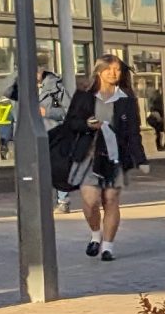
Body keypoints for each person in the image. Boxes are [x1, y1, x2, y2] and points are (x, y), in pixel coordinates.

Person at [54, 54, 147, 261]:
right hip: (88, 157)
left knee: (111, 199)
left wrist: (140, 159)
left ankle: (108, 247)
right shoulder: (84, 96)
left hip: (115, 157)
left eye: (117, 70)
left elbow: (133, 131)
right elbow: (70, 124)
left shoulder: (126, 99)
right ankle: (96, 235)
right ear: (99, 71)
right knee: (91, 201)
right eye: (108, 69)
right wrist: (87, 124)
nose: (113, 73)